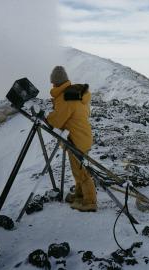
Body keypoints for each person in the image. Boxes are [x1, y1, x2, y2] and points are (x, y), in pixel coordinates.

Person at [46, 66, 97, 212]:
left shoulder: (65, 98)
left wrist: (47, 118)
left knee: (82, 172)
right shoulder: (76, 93)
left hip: (77, 139)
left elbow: (56, 120)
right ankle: (80, 195)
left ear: (55, 83)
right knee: (78, 169)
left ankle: (90, 201)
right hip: (82, 136)